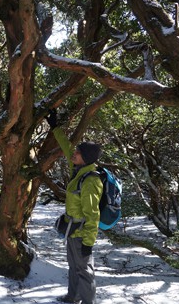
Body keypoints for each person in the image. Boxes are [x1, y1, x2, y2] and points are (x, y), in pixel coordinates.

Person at [47, 110, 103, 304]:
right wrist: (55, 127)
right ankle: (73, 296)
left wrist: (88, 242)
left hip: (82, 234)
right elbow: (67, 146)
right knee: (73, 266)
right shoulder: (78, 170)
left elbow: (93, 214)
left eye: (78, 152)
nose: (74, 153)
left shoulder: (90, 181)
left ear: (85, 158)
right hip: (71, 230)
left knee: (85, 270)